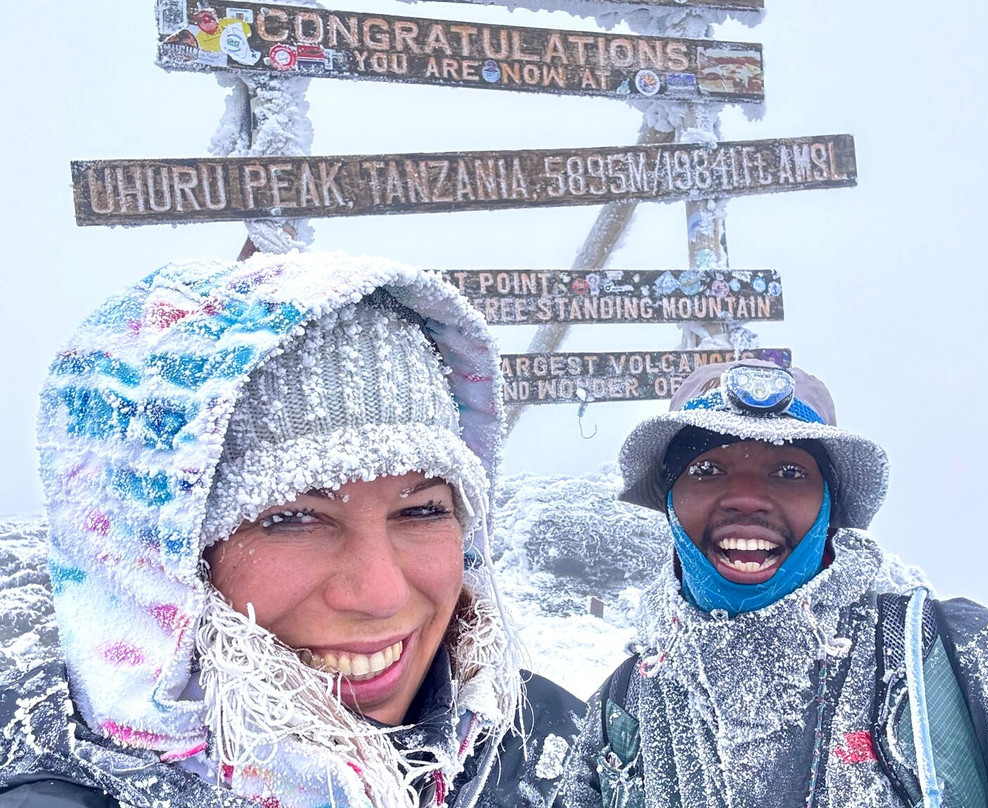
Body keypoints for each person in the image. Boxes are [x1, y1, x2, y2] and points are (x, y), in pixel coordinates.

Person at [0, 251, 584, 807]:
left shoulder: (547, 746)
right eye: (291, 518)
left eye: (422, 510)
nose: (381, 596)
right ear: (148, 560)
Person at [563, 359, 988, 808]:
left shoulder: (948, 658)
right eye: (707, 469)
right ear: (670, 501)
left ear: (830, 508)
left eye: (789, 472)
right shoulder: (623, 705)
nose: (747, 499)